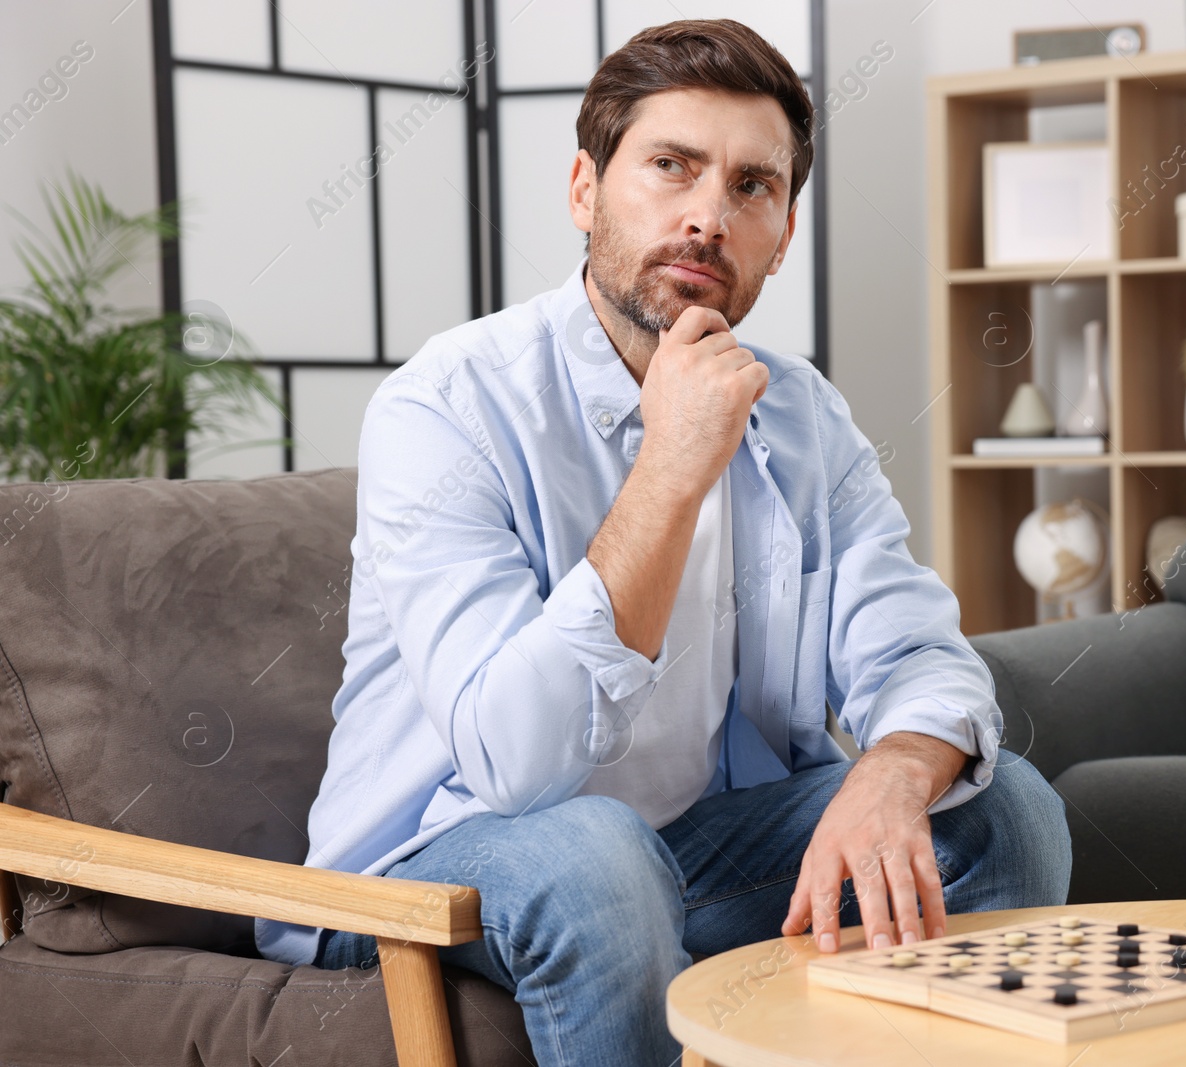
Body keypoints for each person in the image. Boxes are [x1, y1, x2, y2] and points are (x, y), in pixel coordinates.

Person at [255, 18, 1071, 1065]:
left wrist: (897, 766)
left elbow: (913, 650)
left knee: (1003, 808)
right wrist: (672, 465)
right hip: (431, 869)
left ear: (782, 234)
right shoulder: (447, 406)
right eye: (669, 167)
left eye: (750, 186)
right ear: (585, 190)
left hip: (690, 848)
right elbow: (516, 763)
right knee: (595, 856)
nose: (705, 216)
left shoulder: (803, 415)